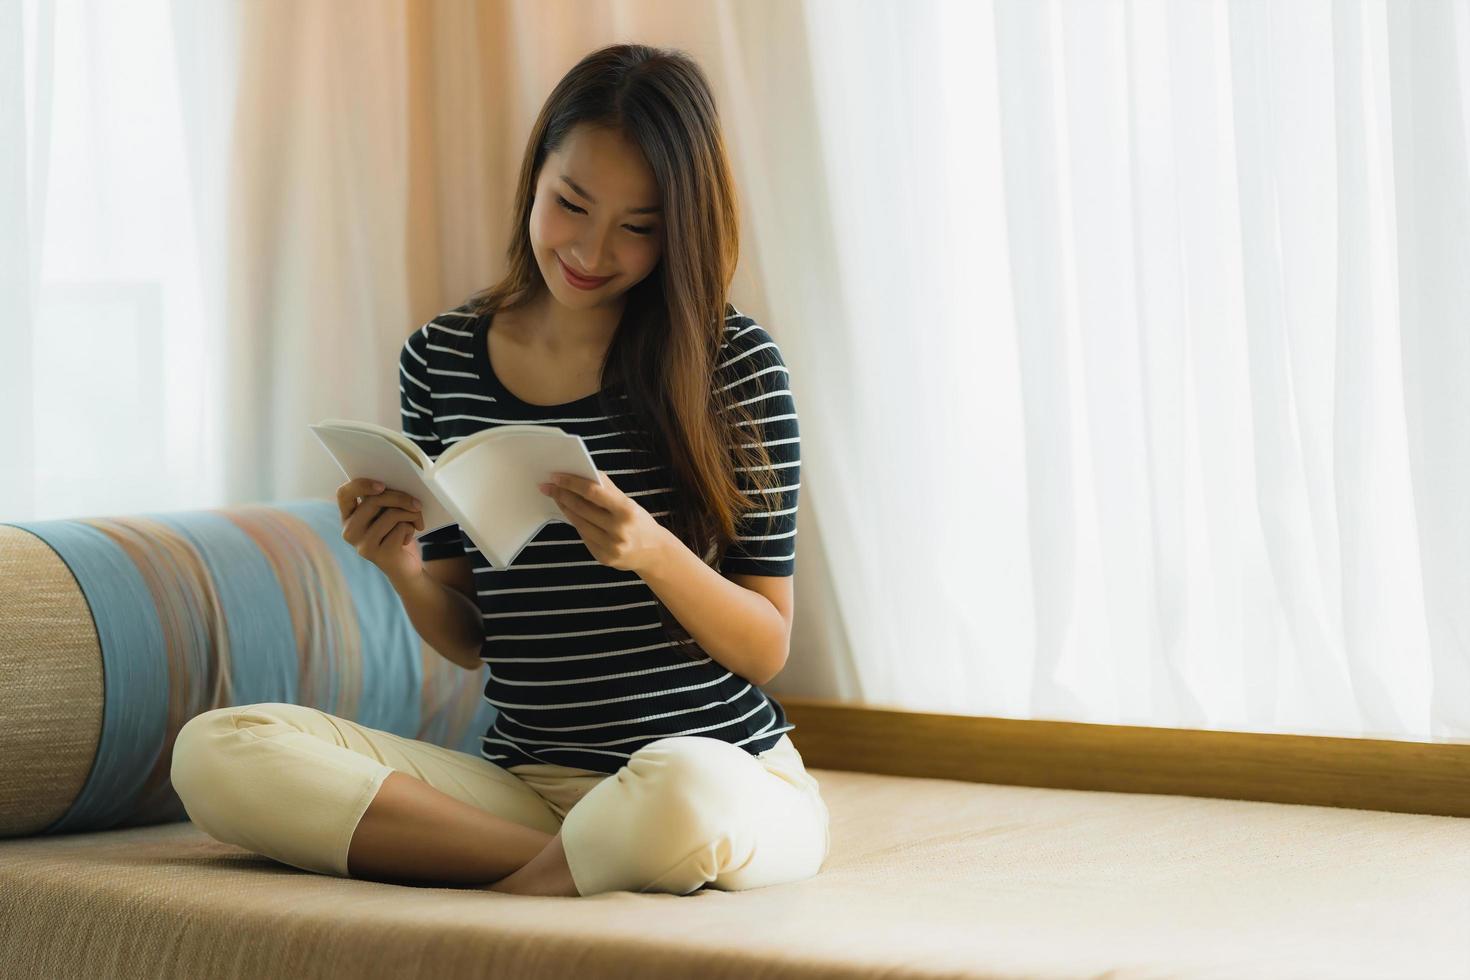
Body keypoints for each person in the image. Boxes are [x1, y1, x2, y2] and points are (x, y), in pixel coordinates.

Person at [170, 42, 829, 899]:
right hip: (530, 788)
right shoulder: (441, 361)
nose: (592, 249)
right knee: (220, 751)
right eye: (571, 204)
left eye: (638, 227)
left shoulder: (735, 365)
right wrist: (400, 567)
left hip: (719, 771)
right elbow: (470, 637)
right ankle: (558, 870)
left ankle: (527, 881)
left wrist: (653, 551)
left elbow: (767, 645)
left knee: (682, 794)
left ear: (680, 230)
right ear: (536, 179)